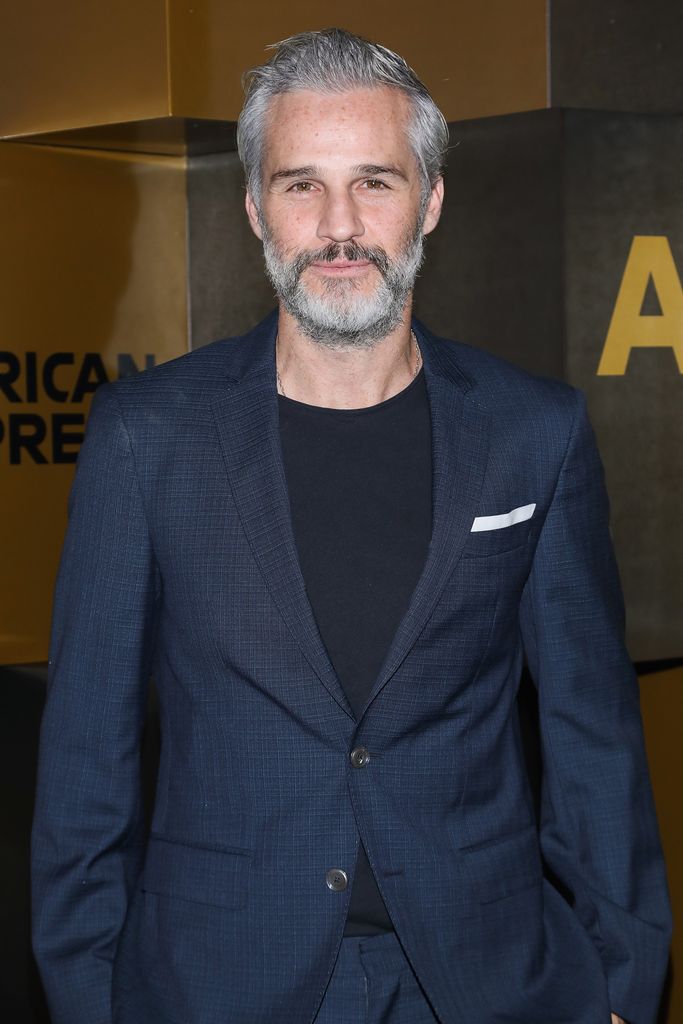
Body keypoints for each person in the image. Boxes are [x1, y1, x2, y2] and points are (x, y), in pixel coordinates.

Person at [31, 27, 671, 1024]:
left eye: (373, 182)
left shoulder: (531, 431)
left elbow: (592, 739)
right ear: (254, 208)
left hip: (486, 983)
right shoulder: (146, 437)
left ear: (430, 199)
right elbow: (84, 765)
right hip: (218, 983)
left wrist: (624, 986)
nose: (339, 225)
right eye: (300, 186)